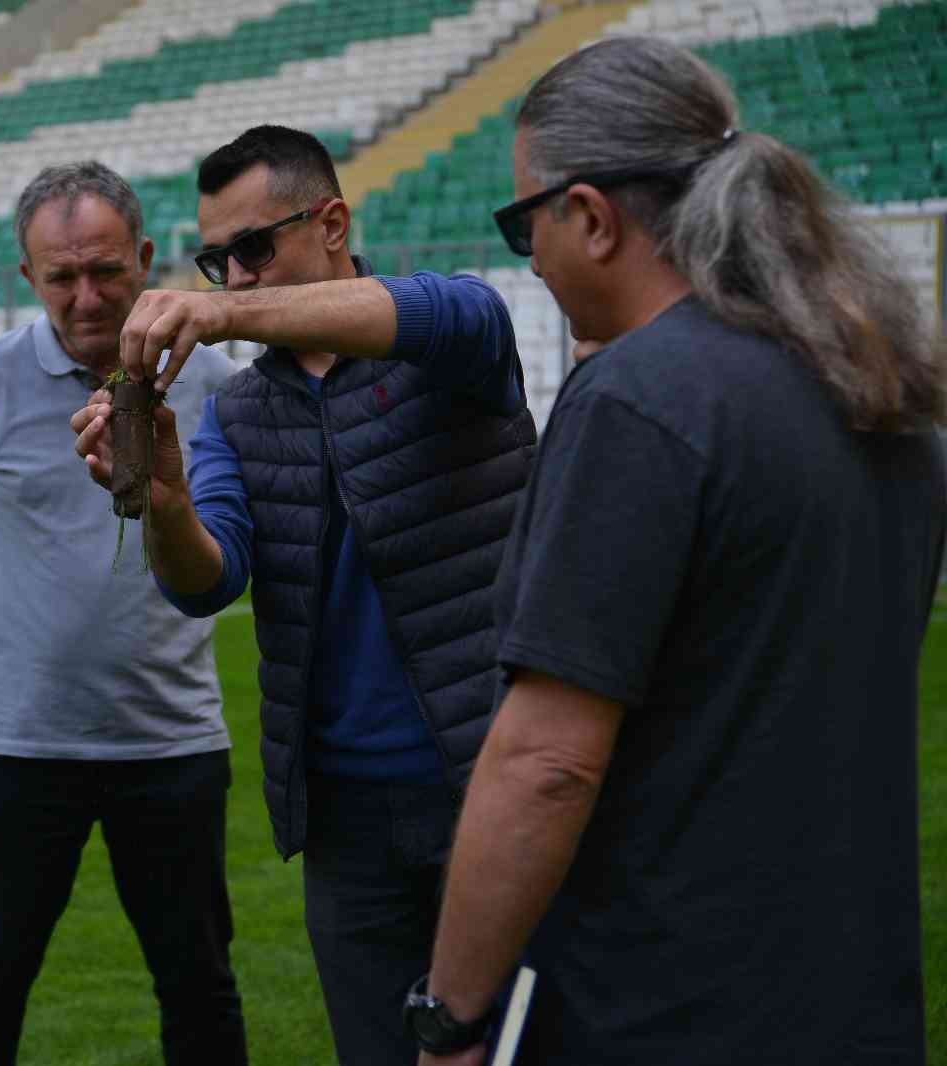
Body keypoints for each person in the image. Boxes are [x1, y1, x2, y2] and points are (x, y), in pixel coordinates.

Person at [405, 37, 947, 1066]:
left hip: (667, 1010)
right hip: (850, 1000)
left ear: (592, 217)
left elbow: (547, 761)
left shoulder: (639, 399)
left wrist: (451, 1016)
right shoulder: (883, 391)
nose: (532, 254)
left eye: (527, 222)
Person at [71, 126, 536, 1064]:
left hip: (490, 780)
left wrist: (227, 317)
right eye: (216, 259)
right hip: (344, 815)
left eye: (253, 250)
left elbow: (460, 313)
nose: (233, 281)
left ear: (331, 222)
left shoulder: (449, 335)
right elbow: (209, 582)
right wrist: (164, 498)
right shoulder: (240, 411)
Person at [0, 161, 247, 1065]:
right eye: (61, 275)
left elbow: (230, 549)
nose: (87, 294)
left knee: (199, 984)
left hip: (172, 742)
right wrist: (23, 647)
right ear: (28, 277)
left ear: (145, 259)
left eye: (106, 269)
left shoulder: (216, 383)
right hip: (14, 747)